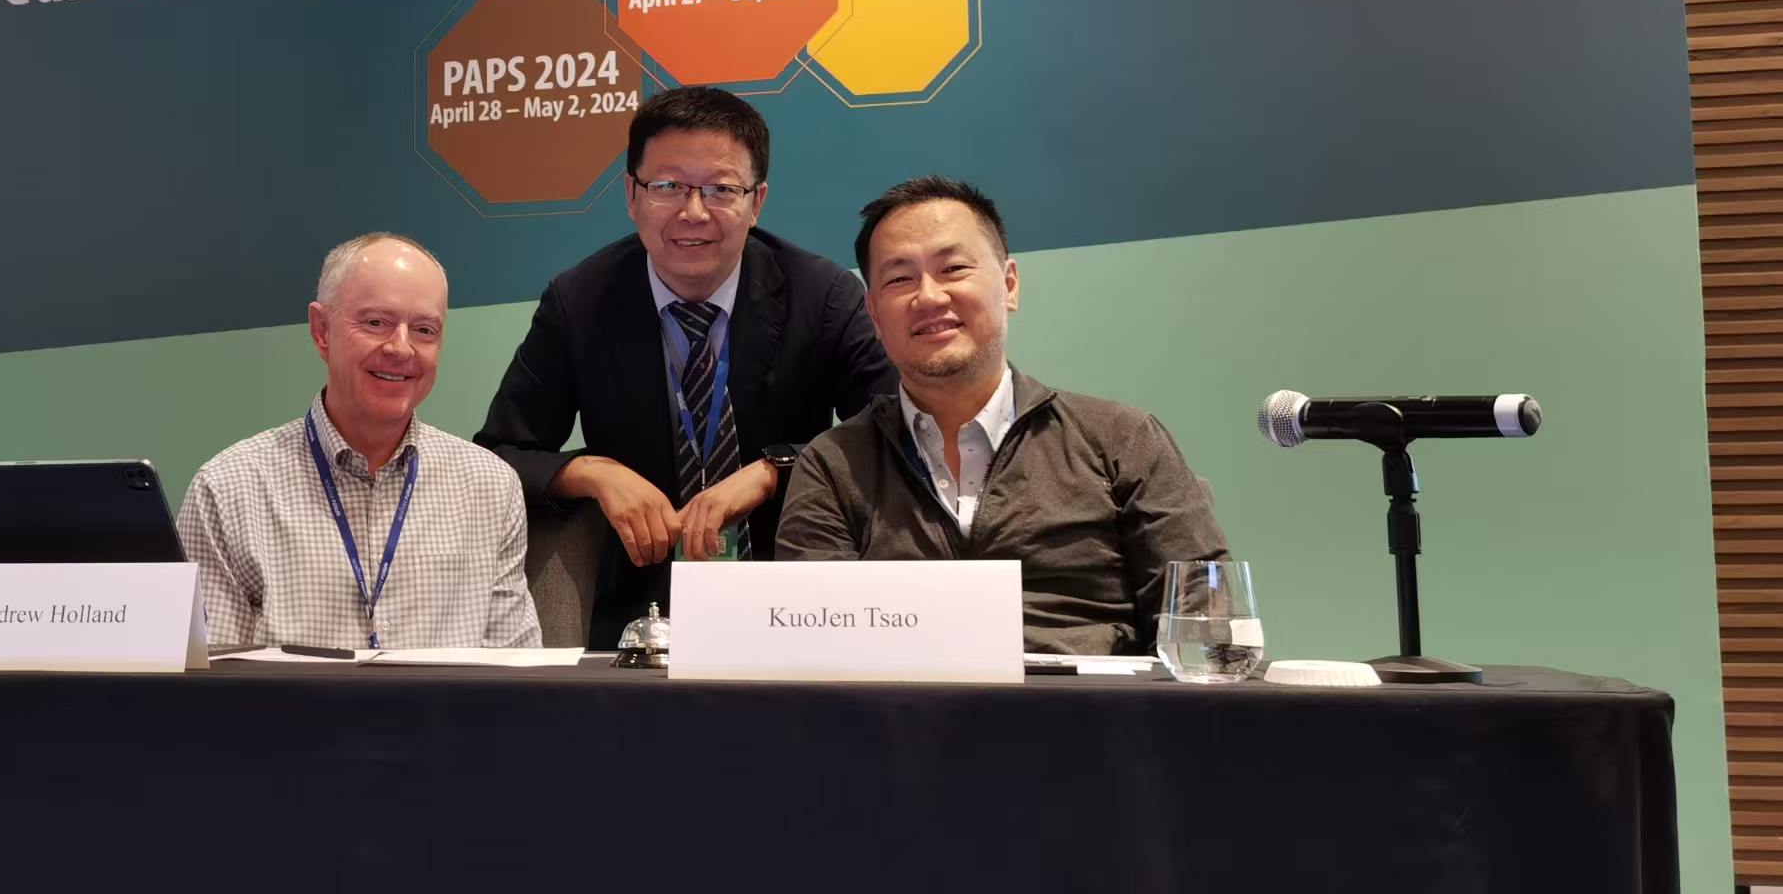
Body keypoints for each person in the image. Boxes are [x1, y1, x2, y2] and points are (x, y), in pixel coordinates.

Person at [477, 86, 893, 646]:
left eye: (721, 189)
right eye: (667, 186)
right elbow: (500, 456)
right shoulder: (580, 302)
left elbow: (892, 430)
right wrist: (596, 472)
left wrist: (774, 470)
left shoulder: (821, 295)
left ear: (757, 202)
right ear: (632, 194)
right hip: (640, 612)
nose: (692, 213)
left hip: (800, 596)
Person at [775, 175, 1229, 655]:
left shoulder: (1122, 440)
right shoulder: (833, 466)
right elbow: (816, 649)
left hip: (1091, 699)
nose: (929, 297)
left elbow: (1206, 629)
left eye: (953, 269)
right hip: (907, 700)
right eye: (900, 279)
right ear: (873, 314)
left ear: (1009, 285)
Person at [180, 233, 540, 650]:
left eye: (424, 330)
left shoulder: (491, 487)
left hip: (448, 699)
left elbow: (519, 670)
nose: (401, 348)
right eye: (375, 323)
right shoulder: (228, 490)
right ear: (322, 330)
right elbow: (212, 677)